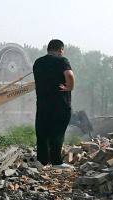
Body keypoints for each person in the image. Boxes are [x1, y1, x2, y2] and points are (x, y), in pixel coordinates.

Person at [33, 39, 76, 169]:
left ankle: (42, 161)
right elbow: (69, 75)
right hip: (60, 104)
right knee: (57, 132)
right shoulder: (62, 61)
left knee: (42, 132)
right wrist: (70, 88)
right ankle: (56, 162)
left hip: (42, 104)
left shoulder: (38, 62)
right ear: (60, 50)